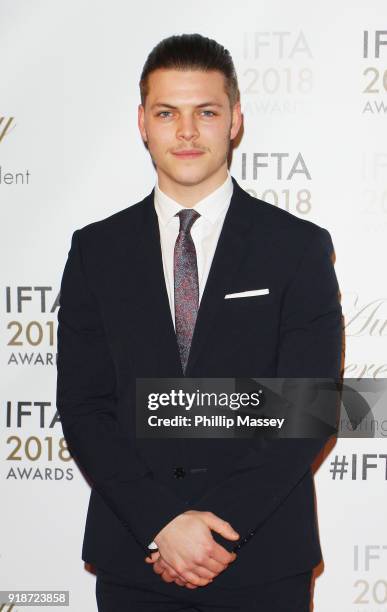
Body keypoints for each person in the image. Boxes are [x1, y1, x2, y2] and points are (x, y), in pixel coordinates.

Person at [56, 33, 343, 611]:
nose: (186, 131)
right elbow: (85, 407)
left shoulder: (297, 248)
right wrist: (162, 523)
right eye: (167, 113)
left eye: (206, 112)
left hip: (261, 560)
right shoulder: (96, 252)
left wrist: (216, 529)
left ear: (235, 120)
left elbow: (309, 408)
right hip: (136, 557)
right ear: (143, 122)